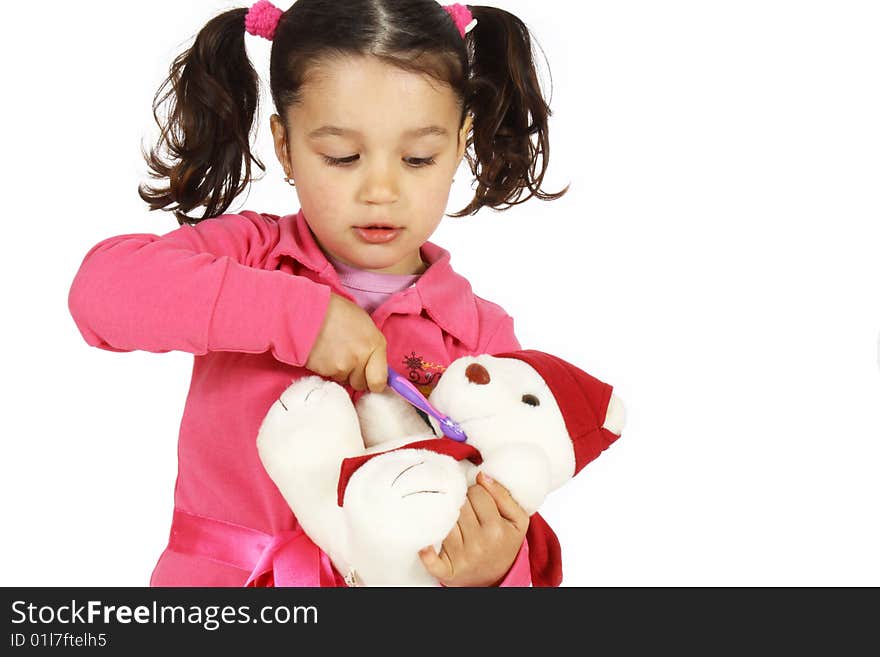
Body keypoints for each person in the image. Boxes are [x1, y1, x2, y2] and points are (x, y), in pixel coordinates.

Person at [68, 0, 569, 587]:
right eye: (342, 157)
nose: (380, 189)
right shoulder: (252, 257)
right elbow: (101, 292)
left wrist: (493, 570)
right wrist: (299, 316)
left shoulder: (481, 338)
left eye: (417, 158)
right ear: (285, 145)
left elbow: (505, 507)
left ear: (460, 143)